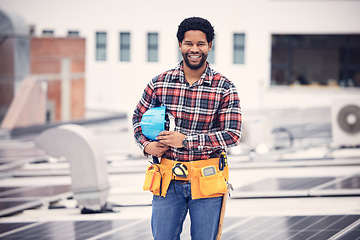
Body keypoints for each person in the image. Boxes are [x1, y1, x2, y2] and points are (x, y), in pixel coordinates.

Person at [132, 16, 242, 240]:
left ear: (210, 46)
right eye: (188, 43)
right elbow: (138, 118)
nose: (194, 49)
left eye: (200, 44)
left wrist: (186, 140)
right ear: (179, 44)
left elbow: (232, 135)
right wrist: (146, 146)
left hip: (207, 180)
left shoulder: (224, 88)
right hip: (167, 180)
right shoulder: (159, 83)